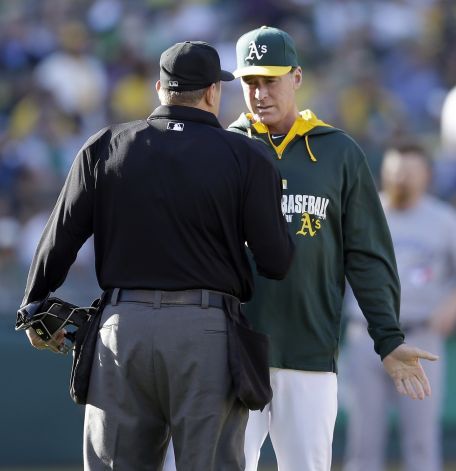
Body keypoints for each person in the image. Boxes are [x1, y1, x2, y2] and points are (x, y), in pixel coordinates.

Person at [18, 40, 295, 470]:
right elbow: (277, 261)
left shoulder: (106, 145)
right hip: (205, 331)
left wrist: (34, 306)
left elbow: (59, 238)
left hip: (121, 329)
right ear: (212, 93)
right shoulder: (247, 157)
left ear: (159, 90)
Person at [227, 25, 439, 471]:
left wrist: (388, 336)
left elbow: (367, 255)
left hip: (309, 350)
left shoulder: (340, 152)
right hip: (231, 350)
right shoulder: (224, 148)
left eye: (271, 80)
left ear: (297, 78)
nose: (260, 93)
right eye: (250, 82)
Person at [342, 142, 456, 471]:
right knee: (362, 442)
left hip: (419, 336)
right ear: (383, 173)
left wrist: (450, 306)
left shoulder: (444, 220)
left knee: (421, 442)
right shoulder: (362, 212)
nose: (401, 176)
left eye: (409, 170)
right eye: (395, 169)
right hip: (365, 336)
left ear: (427, 176)